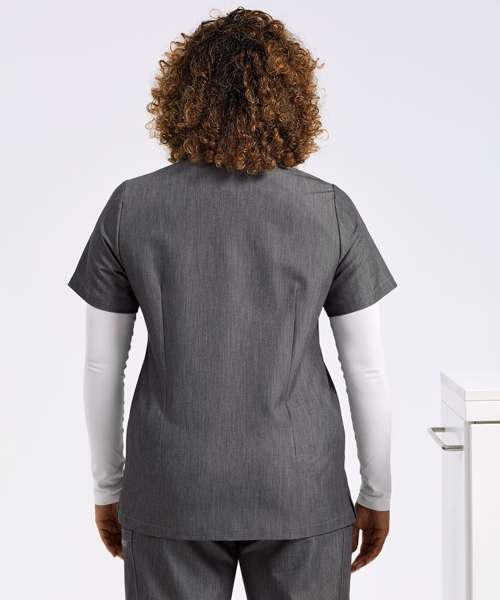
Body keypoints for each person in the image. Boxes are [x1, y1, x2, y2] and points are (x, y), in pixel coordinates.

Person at [67, 7, 398, 600]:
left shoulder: (131, 207)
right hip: (299, 486)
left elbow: (101, 365)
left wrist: (108, 485)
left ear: (181, 97)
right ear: (292, 100)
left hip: (171, 487)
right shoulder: (328, 209)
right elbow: (366, 369)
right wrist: (377, 491)